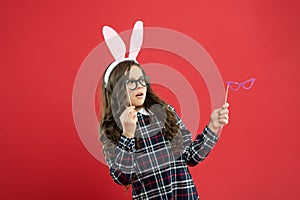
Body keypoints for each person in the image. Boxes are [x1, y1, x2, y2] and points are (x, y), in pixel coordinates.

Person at [99, 21, 229, 200]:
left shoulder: (165, 112)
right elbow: (122, 177)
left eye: (142, 79)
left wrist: (213, 127)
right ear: (117, 88)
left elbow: (191, 156)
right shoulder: (114, 128)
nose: (139, 86)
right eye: (131, 82)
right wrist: (128, 133)